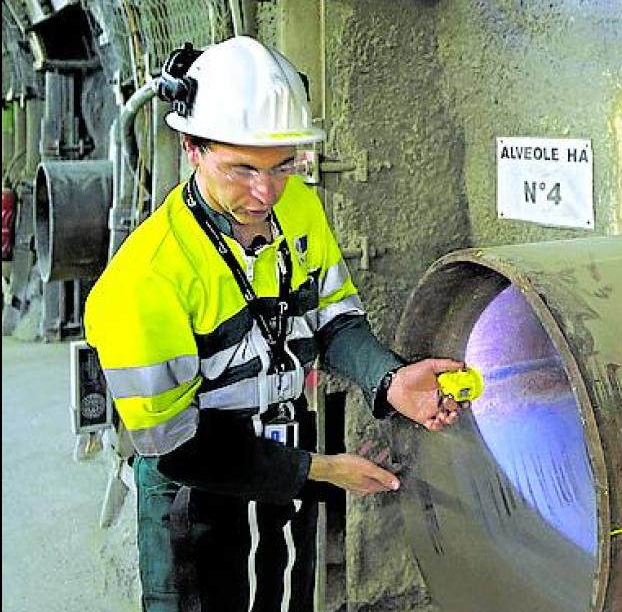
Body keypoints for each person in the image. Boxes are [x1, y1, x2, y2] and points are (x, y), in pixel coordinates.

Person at [84, 35, 466, 612]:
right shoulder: (141, 284)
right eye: (241, 169)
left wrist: (388, 379)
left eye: (283, 165)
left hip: (286, 470)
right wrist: (322, 470)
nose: (265, 193)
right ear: (192, 147)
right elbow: (177, 447)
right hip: (197, 494)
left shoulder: (297, 208)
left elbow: (333, 322)